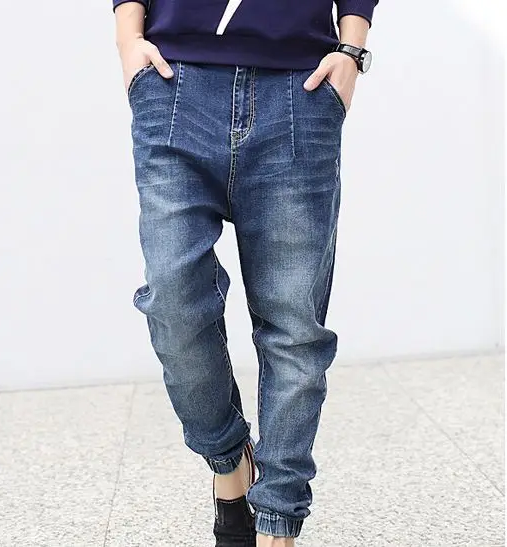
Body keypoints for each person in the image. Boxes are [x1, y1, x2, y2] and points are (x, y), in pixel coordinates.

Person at [112, 1, 378, 545]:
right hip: (175, 84)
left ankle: (278, 522)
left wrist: (351, 50)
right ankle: (230, 458)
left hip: (299, 90)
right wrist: (127, 40)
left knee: (293, 326)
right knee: (173, 301)